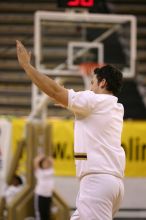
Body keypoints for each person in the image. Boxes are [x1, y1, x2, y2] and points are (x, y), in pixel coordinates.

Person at [16, 40, 126, 220]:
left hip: (96, 181)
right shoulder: (115, 106)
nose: (90, 87)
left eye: (93, 82)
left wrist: (27, 67)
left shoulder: (94, 101)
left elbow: (54, 90)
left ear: (103, 82)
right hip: (112, 184)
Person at [34, 155, 54, 220]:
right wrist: (41, 157)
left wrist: (47, 158)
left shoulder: (50, 171)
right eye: (44, 163)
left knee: (47, 213)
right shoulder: (39, 171)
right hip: (40, 195)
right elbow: (36, 162)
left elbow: (51, 161)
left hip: (48, 195)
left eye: (47, 163)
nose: (46, 164)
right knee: (40, 213)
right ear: (41, 164)